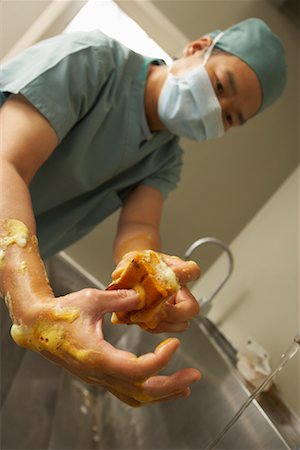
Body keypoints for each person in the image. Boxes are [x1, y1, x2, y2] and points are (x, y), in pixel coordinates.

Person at [0, 17, 286, 407]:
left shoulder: (165, 159)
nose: (217, 109)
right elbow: (6, 163)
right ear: (198, 48)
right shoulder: (92, 63)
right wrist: (31, 301)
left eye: (231, 118)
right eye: (220, 86)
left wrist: (152, 273)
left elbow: (139, 225)